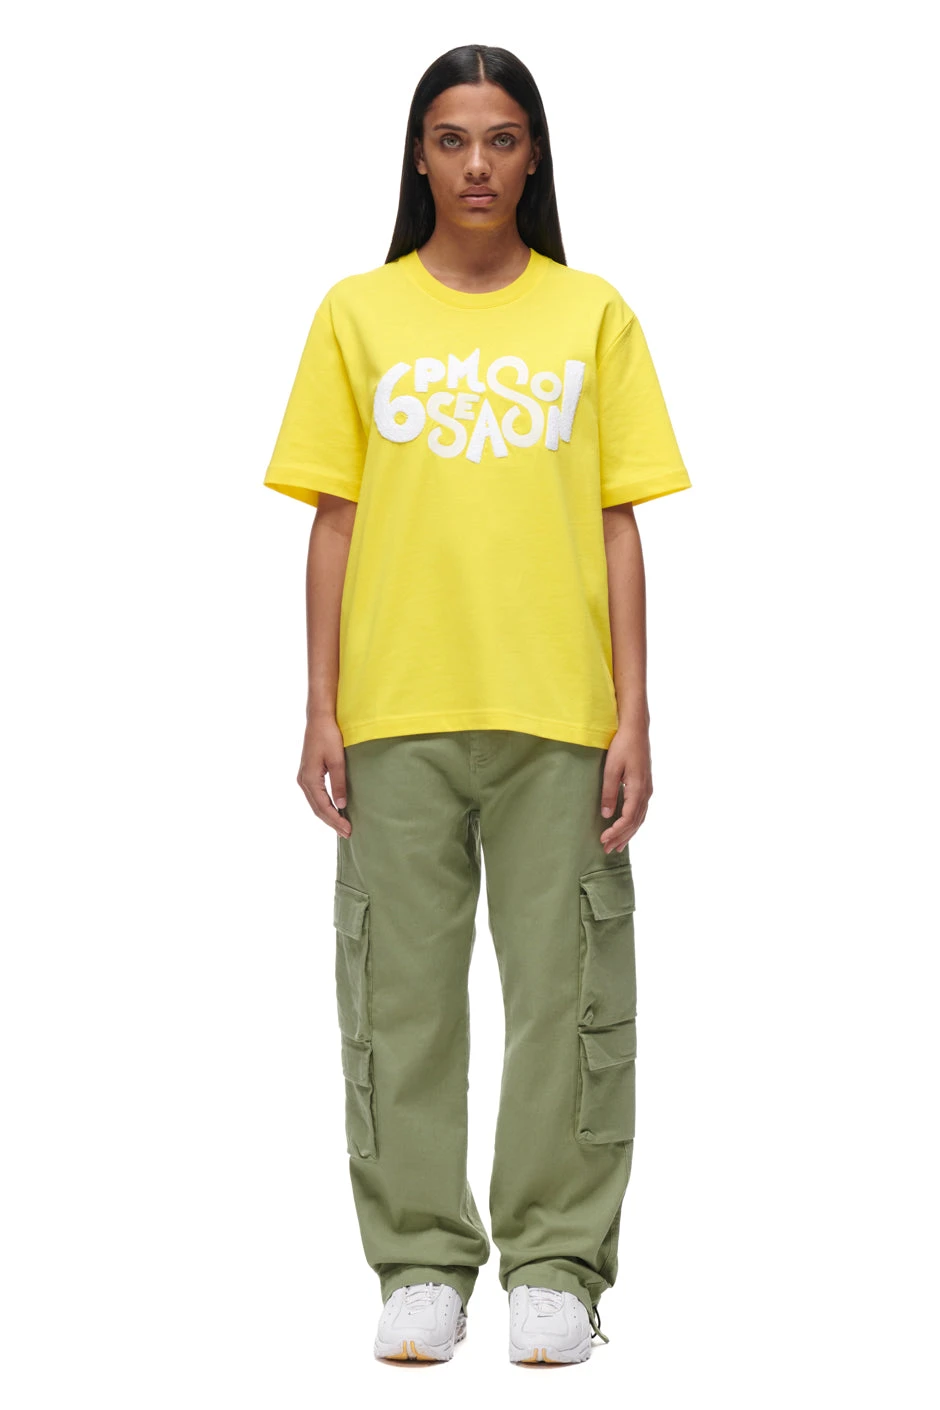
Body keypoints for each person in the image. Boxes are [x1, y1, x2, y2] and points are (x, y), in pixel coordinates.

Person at [262, 42, 691, 1367]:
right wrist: (320, 705)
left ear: (534, 154)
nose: (477, 165)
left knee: (568, 993)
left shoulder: (592, 315)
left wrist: (635, 712)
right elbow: (335, 520)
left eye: (502, 139)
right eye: (452, 140)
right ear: (419, 156)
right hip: (395, 710)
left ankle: (556, 1262)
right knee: (401, 996)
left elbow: (618, 523)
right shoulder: (357, 314)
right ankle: (420, 1262)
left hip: (560, 711)